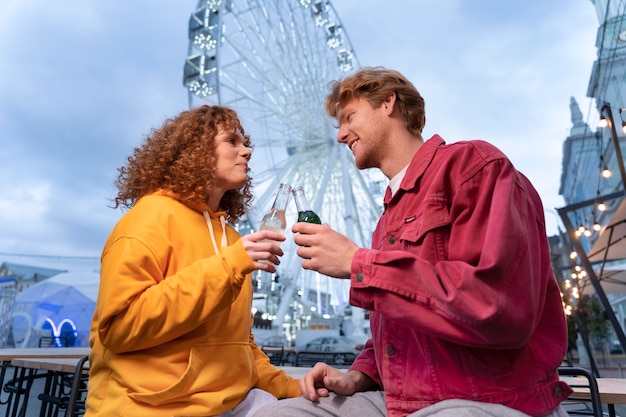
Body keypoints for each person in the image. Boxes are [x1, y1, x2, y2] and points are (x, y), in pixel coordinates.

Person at [252, 67, 572, 417]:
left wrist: (359, 264)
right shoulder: (386, 220)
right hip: (399, 399)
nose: (341, 136)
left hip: (483, 397)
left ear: (388, 102)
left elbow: (495, 305)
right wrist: (359, 375)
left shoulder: (473, 167)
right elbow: (403, 326)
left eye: (349, 117)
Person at [85, 105, 300, 417]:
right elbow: (120, 328)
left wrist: (296, 388)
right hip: (149, 408)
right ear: (196, 151)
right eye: (232, 141)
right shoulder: (148, 219)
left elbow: (239, 346)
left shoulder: (233, 240)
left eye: (246, 143)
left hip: (227, 403)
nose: (248, 151)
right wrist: (229, 266)